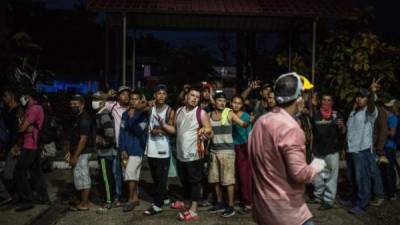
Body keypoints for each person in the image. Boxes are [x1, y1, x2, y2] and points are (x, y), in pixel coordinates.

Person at [248, 72, 326, 225]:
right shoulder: (291, 128)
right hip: (287, 212)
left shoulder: (260, 122)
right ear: (299, 99)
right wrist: (317, 166)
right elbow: (299, 174)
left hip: (262, 208)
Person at [172, 86, 213, 222]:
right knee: (184, 180)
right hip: (180, 153)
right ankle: (187, 202)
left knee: (195, 181)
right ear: (186, 97)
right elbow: (176, 129)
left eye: (197, 97)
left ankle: (193, 210)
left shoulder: (201, 113)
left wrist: (205, 132)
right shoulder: (178, 111)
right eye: (192, 95)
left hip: (195, 153)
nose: (195, 99)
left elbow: (210, 130)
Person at [344, 78, 384, 214]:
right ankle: (354, 199)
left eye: (363, 97)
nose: (359, 99)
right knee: (352, 178)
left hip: (362, 151)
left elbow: (372, 105)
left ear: (368, 99)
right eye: (358, 96)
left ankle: (362, 204)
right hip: (351, 150)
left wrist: (372, 92)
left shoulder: (370, 112)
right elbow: (350, 131)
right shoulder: (353, 112)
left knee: (362, 179)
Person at [207, 92, 249, 218]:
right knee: (215, 179)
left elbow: (242, 123)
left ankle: (230, 206)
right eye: (219, 100)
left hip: (227, 152)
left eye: (224, 101)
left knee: (228, 181)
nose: (222, 103)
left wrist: (248, 121)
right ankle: (220, 203)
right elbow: (209, 133)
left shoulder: (228, 113)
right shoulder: (209, 115)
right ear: (214, 102)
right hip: (214, 151)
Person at [14, 89, 49, 211]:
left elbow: (22, 127)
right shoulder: (34, 108)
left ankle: (27, 200)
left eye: (22, 97)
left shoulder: (34, 109)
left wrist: (20, 128)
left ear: (28, 97)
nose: (21, 100)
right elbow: (25, 126)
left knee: (19, 172)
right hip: (33, 144)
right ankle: (43, 197)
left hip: (31, 145)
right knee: (36, 172)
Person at [310, 92, 346, 210]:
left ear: (332, 102)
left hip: (332, 150)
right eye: (324, 100)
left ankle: (329, 200)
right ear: (321, 101)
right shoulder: (315, 115)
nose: (326, 102)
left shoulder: (336, 115)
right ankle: (318, 196)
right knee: (316, 175)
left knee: (332, 177)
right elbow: (317, 131)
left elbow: (343, 132)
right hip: (318, 151)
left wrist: (342, 127)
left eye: (329, 100)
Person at [144, 84, 175, 215]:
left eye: (164, 93)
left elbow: (173, 129)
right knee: (155, 177)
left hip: (163, 148)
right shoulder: (150, 108)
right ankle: (165, 198)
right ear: (155, 95)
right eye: (159, 93)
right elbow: (138, 108)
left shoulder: (169, 111)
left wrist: (160, 129)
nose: (161, 96)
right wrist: (146, 102)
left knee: (161, 178)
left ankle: (158, 204)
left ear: (166, 96)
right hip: (151, 147)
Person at [119, 91, 147, 212]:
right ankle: (135, 198)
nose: (133, 101)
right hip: (126, 150)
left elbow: (137, 131)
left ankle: (130, 200)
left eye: (136, 99)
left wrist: (132, 117)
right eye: (131, 99)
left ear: (140, 101)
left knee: (130, 173)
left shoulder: (144, 115)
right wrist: (122, 149)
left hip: (137, 149)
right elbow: (122, 133)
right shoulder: (125, 114)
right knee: (132, 175)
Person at [91, 92, 118, 213]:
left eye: (96, 99)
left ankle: (108, 202)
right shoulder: (100, 114)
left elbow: (110, 134)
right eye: (94, 99)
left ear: (102, 102)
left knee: (106, 178)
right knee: (106, 176)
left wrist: (101, 141)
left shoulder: (104, 115)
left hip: (106, 152)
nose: (94, 101)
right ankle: (110, 198)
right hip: (105, 152)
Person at [68, 94, 94, 211]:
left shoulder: (84, 118)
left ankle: (84, 203)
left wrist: (75, 156)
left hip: (83, 153)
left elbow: (83, 139)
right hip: (79, 152)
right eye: (71, 104)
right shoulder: (78, 117)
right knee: (79, 177)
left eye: (75, 105)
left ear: (82, 105)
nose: (73, 106)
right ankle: (81, 200)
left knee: (84, 178)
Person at [106, 86, 131, 204]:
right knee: (116, 172)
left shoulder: (133, 107)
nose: (126, 96)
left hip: (129, 146)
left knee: (128, 172)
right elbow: (97, 104)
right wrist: (108, 95)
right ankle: (118, 195)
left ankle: (129, 195)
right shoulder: (113, 106)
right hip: (117, 146)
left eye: (127, 94)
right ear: (118, 96)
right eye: (123, 94)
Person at [231, 95, 253, 214]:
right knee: (235, 175)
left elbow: (249, 132)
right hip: (231, 147)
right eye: (234, 102)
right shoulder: (228, 114)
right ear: (231, 103)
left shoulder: (246, 116)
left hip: (243, 146)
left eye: (239, 103)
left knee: (245, 175)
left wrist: (249, 148)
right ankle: (239, 199)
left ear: (242, 105)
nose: (236, 105)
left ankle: (248, 202)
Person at [380, 99, 398, 200]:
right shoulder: (387, 117)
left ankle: (392, 193)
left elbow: (392, 133)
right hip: (384, 147)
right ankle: (385, 190)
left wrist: (381, 131)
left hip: (390, 147)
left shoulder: (393, 118)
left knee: (389, 170)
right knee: (383, 169)